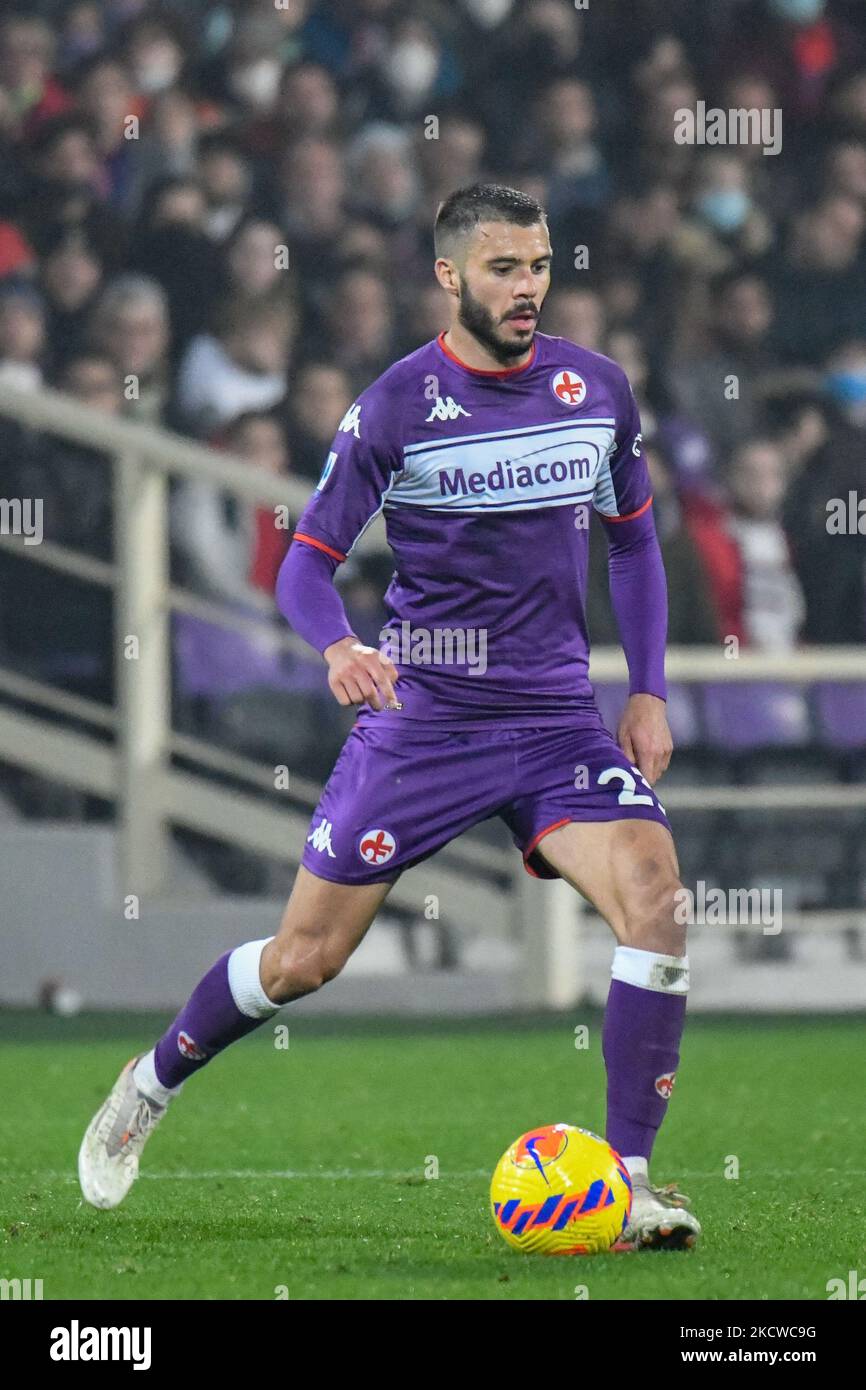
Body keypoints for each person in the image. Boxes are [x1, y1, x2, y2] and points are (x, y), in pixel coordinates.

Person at [78, 183, 700, 1252]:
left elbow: (632, 541)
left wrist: (645, 686)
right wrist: (337, 648)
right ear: (449, 275)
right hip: (425, 721)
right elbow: (305, 565)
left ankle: (629, 1178)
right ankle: (151, 1078)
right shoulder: (394, 407)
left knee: (655, 899)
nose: (527, 287)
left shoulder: (595, 390)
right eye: (503, 268)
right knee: (302, 961)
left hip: (556, 721)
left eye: (540, 265)